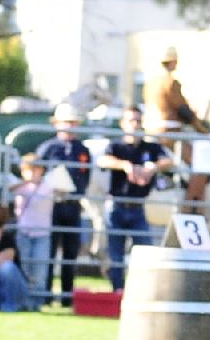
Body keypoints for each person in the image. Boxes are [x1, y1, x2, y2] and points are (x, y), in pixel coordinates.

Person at [96, 107, 173, 291]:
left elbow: (168, 161)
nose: (134, 124)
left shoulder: (151, 148)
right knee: (116, 254)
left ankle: (143, 291)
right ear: (123, 124)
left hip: (138, 207)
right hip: (117, 206)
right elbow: (102, 161)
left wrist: (152, 168)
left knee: (145, 251)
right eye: (131, 120)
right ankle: (118, 291)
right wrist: (125, 166)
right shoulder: (115, 146)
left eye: (138, 120)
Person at [36, 104, 95, 305]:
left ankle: (67, 296)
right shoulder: (47, 148)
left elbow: (86, 176)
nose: (70, 127)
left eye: (73, 123)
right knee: (49, 250)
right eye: (66, 123)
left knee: (70, 252)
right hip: (51, 205)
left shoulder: (82, 150)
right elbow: (37, 174)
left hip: (72, 204)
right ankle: (45, 294)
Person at [10, 154, 56, 309]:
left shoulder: (48, 186)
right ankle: (24, 301)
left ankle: (37, 303)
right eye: (28, 170)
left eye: (35, 169)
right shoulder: (22, 186)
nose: (32, 173)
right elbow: (10, 189)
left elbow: (64, 192)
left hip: (42, 234)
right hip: (24, 231)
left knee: (40, 270)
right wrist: (29, 182)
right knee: (24, 268)